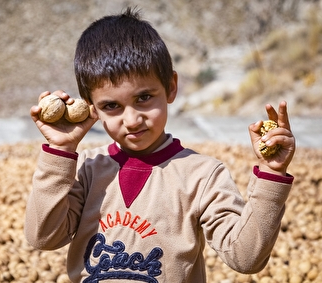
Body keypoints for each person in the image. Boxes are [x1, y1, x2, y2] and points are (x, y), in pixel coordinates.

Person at [24, 7, 295, 283]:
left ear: (171, 87)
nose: (131, 120)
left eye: (144, 98)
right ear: (90, 108)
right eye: (112, 106)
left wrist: (272, 176)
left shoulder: (202, 176)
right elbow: (43, 237)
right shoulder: (86, 168)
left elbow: (245, 258)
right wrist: (60, 152)